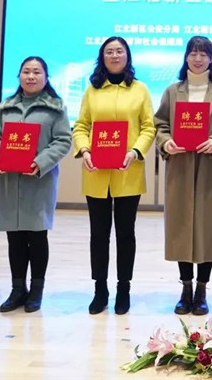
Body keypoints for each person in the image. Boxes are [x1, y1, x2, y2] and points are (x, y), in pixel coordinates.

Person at [154, 36, 212, 316]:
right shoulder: (172, 91)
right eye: (193, 53)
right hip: (180, 166)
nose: (198, 58)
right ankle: (185, 288)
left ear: (211, 59)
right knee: (181, 227)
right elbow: (160, 124)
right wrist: (166, 142)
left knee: (206, 228)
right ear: (186, 57)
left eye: (204, 54)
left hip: (208, 168)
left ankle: (202, 289)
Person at [72, 36, 156, 315]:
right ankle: (100, 290)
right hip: (96, 172)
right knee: (98, 234)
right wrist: (84, 150)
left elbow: (149, 127)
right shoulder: (92, 90)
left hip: (128, 171)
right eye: (109, 51)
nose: (115, 55)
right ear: (102, 57)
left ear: (127, 56)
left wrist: (135, 151)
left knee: (125, 234)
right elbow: (81, 126)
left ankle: (123, 289)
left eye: (120, 51)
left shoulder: (140, 89)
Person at [0, 56, 72, 313]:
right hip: (10, 181)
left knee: (37, 236)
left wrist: (40, 162)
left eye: (36, 72)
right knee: (14, 237)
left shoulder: (55, 108)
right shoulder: (6, 108)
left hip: (38, 181)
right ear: (19, 76)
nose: (31, 76)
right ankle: (17, 289)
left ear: (46, 77)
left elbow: (63, 141)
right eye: (26, 71)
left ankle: (36, 290)